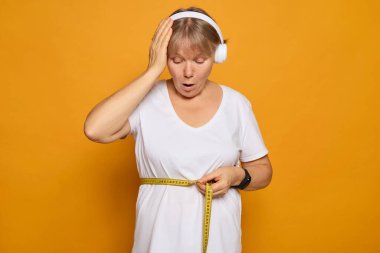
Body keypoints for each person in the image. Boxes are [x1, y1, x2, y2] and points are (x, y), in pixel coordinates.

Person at [84, 6, 273, 253]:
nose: (187, 73)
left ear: (217, 55)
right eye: (176, 60)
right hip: (158, 240)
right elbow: (95, 129)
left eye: (199, 60)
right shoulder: (147, 100)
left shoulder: (236, 104)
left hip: (219, 239)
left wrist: (236, 176)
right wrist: (152, 71)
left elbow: (263, 171)